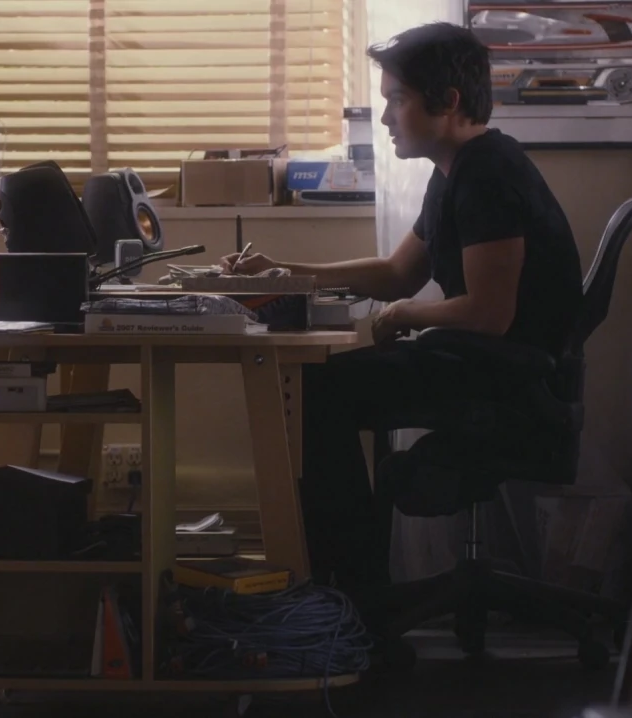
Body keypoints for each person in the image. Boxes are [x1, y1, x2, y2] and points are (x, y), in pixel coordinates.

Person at [221, 23, 583, 615]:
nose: (386, 117)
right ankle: (353, 593)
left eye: (397, 99)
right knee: (322, 387)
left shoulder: (488, 175)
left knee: (320, 392)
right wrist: (283, 271)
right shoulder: (458, 169)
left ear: (448, 102)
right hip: (491, 362)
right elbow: (396, 273)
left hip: (505, 375)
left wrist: (408, 315)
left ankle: (351, 598)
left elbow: (489, 314)